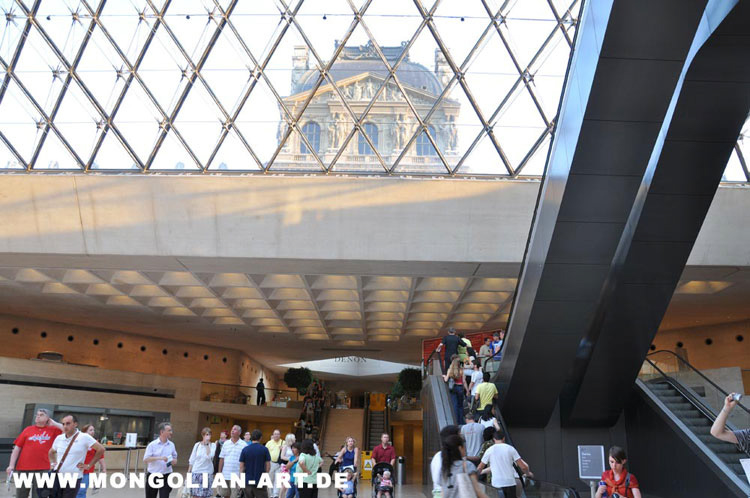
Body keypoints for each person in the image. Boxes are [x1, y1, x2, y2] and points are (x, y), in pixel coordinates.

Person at [6, 408, 63, 498]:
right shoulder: (28, 429)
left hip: (44, 468)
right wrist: (11, 465)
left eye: (41, 415)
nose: (38, 416)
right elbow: (17, 448)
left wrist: (54, 423)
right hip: (24, 468)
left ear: (48, 418)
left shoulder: (54, 430)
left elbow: (68, 430)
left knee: (39, 495)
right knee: (21, 495)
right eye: (37, 414)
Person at [48, 415, 105, 498]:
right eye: (63, 424)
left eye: (68, 423)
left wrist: (89, 465)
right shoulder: (59, 438)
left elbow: (101, 449)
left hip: (73, 477)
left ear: (75, 424)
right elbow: (51, 452)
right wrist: (53, 463)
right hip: (58, 476)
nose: (65, 426)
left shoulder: (84, 437)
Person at [477, 430, 530, 498]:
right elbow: (523, 467)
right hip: (510, 483)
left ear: (494, 439)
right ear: (504, 438)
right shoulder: (510, 449)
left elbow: (480, 467)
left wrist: (475, 477)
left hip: (497, 484)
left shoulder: (489, 450)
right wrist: (528, 474)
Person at [143, 422, 178, 498]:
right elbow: (145, 459)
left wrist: (174, 461)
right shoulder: (152, 445)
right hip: (153, 475)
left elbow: (175, 458)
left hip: (167, 476)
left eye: (171, 430)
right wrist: (160, 458)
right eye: (169, 430)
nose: (171, 432)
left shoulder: (172, 445)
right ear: (162, 432)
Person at [76, 424, 106, 498]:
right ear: (84, 432)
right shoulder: (78, 441)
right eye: (90, 430)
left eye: (93, 430)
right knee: (73, 490)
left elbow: (101, 457)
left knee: (82, 490)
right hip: (75, 470)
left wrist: (104, 469)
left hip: (87, 471)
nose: (93, 432)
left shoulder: (95, 443)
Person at [239, 430, 271, 498]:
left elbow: (241, 467)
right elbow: (268, 466)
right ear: (261, 438)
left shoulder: (245, 449)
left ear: (251, 437)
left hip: (247, 480)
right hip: (260, 480)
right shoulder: (264, 449)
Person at [218, 425, 247, 498]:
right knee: (225, 494)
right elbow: (222, 458)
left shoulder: (244, 445)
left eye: (235, 429)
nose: (232, 431)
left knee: (235, 495)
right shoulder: (226, 443)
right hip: (225, 474)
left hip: (236, 475)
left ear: (239, 433)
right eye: (232, 429)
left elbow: (245, 462)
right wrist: (219, 472)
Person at [430, 425, 460, 494]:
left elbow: (437, 479)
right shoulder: (440, 457)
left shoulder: (437, 456)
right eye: (459, 436)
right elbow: (438, 479)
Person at [188, 427, 216, 498]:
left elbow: (209, 456)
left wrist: (207, 445)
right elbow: (192, 459)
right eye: (206, 434)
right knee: (195, 495)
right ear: (202, 435)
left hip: (207, 472)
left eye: (209, 434)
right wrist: (188, 473)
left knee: (204, 495)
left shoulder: (213, 445)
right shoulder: (197, 445)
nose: (208, 436)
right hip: (196, 472)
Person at [443, 357, 466, 423]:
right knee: (460, 406)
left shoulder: (450, 370)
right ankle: (461, 421)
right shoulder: (461, 370)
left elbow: (446, 380)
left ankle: (455, 421)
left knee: (455, 405)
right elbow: (464, 381)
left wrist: (444, 376)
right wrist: (467, 390)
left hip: (453, 388)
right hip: (460, 388)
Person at [266, 429, 284, 498]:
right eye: (275, 434)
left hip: (279, 464)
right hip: (270, 463)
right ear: (273, 435)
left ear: (280, 435)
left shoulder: (283, 442)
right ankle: (271, 494)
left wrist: (283, 449)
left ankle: (276, 494)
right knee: (270, 479)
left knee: (278, 479)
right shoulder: (269, 443)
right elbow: (265, 452)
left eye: (278, 434)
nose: (276, 435)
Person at [213, 431, 228, 497]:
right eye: (221, 433)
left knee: (223, 478)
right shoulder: (217, 442)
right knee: (217, 477)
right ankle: (218, 492)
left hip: (225, 462)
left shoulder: (228, 442)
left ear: (226, 435)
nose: (221, 435)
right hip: (217, 461)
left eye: (223, 434)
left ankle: (223, 492)